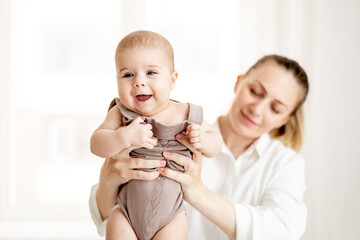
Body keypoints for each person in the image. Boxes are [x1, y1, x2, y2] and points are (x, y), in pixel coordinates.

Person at [89, 54, 309, 240]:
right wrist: (109, 180)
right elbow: (105, 219)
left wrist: (198, 193)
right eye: (255, 92)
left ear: (285, 120)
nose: (257, 109)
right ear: (238, 82)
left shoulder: (286, 164)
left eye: (275, 108)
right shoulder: (179, 133)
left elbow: (282, 232)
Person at [90, 30, 223, 240]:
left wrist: (204, 140)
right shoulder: (122, 113)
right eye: (128, 75)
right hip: (126, 212)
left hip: (171, 217)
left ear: (172, 80)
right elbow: (96, 143)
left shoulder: (187, 113)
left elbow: (216, 144)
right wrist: (124, 136)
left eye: (151, 72)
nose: (139, 82)